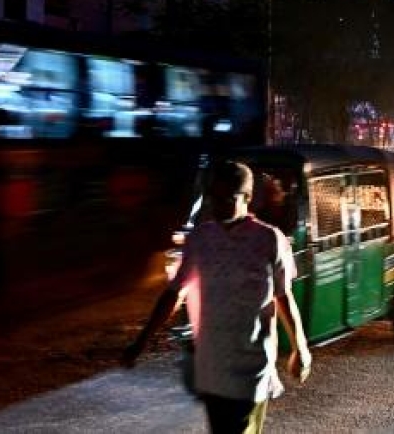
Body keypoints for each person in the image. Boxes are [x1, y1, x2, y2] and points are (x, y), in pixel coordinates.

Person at [121, 160, 311, 434]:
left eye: (228, 198)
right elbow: (174, 293)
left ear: (247, 198)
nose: (219, 205)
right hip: (213, 370)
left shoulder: (270, 240)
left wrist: (300, 348)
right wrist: (141, 342)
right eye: (215, 197)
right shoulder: (201, 239)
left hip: (252, 369)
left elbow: (284, 297)